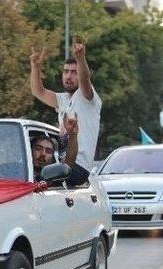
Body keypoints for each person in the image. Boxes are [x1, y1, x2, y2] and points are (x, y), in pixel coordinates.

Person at [30, 38, 102, 186]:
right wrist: (35, 67)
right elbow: (38, 91)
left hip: (78, 167)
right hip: (62, 163)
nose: (69, 76)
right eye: (66, 71)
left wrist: (80, 58)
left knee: (36, 184)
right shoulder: (62, 99)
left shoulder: (87, 97)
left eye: (74, 72)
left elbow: (85, 79)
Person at [32, 116, 79, 182]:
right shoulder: (17, 172)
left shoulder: (53, 178)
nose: (43, 154)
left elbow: (68, 163)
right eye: (38, 149)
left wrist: (72, 134)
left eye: (48, 151)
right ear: (30, 151)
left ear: (53, 158)